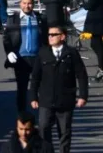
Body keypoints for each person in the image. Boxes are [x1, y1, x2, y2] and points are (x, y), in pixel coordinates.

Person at [28, 24, 89, 153]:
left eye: (54, 34)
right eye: (49, 34)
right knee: (44, 128)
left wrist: (83, 96)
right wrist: (33, 96)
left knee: (64, 132)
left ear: (62, 36)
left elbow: (81, 75)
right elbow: (35, 77)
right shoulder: (43, 53)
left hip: (65, 99)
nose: (50, 37)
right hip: (46, 99)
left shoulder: (71, 53)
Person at [3, 0, 46, 113]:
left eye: (30, 3)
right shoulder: (13, 19)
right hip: (21, 59)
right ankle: (21, 114)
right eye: (24, 3)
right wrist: (9, 52)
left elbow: (46, 38)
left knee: (40, 86)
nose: (27, 6)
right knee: (22, 88)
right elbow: (7, 38)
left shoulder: (40, 19)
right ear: (20, 4)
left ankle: (41, 111)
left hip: (37, 58)